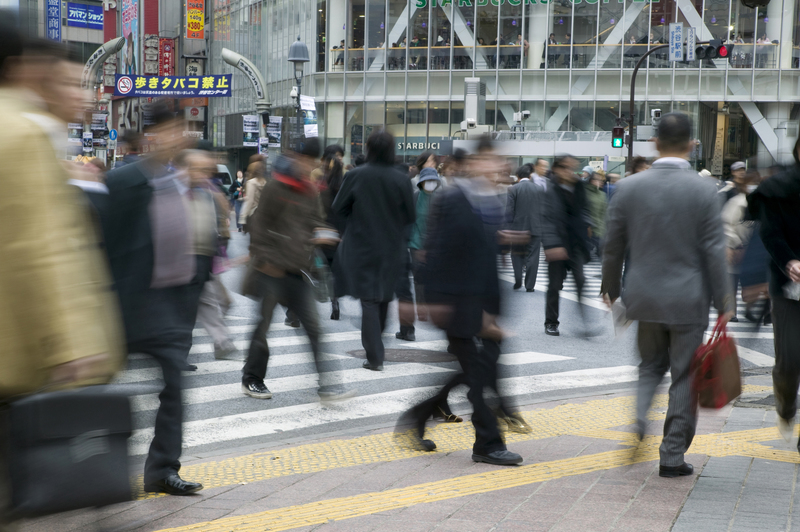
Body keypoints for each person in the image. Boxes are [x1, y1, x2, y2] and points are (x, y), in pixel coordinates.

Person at [0, 30, 125, 529]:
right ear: (23, 65)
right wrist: (71, 345)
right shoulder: (24, 133)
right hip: (21, 354)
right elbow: (39, 249)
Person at [602, 112, 733, 478]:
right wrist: (724, 301)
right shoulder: (705, 189)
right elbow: (713, 250)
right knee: (684, 376)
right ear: (692, 145)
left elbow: (612, 247)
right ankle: (672, 455)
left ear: (654, 143)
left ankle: (640, 417)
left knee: (649, 367)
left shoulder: (629, 187)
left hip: (642, 296)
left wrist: (611, 290)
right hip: (688, 299)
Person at [103, 101, 213, 495]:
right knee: (96, 386)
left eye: (181, 129)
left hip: (167, 307)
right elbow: (101, 241)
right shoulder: (122, 181)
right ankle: (93, 465)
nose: (177, 136)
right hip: (124, 304)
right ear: (151, 136)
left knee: (175, 387)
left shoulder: (177, 180)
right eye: (169, 130)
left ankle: (162, 469)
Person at [397, 140, 523, 465]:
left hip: (484, 302)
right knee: (479, 376)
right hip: (457, 302)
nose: (499, 166)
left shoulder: (492, 199)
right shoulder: (453, 197)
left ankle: (417, 417)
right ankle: (488, 443)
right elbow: (436, 252)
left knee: (477, 373)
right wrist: (429, 302)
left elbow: (481, 253)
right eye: (492, 160)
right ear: (476, 162)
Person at [241, 138, 351, 402]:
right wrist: (266, 259)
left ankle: (328, 385)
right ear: (294, 157)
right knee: (263, 328)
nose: (309, 166)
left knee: (314, 328)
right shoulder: (276, 185)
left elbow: (314, 220)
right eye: (305, 160)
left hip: (298, 270)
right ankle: (252, 379)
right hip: (271, 271)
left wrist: (324, 233)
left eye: (313, 162)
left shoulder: (311, 190)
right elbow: (258, 225)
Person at [333, 130, 415, 371]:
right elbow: (410, 215)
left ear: (369, 149)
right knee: (383, 297)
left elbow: (339, 208)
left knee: (369, 299)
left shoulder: (356, 175)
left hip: (362, 244)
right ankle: (376, 347)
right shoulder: (401, 178)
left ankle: (375, 356)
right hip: (392, 246)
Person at [747, 139, 800, 445]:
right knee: (790, 361)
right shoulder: (777, 188)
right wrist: (789, 261)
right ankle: (786, 403)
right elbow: (769, 232)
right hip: (789, 285)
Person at [177, 149, 238, 360]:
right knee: (187, 309)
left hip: (202, 263)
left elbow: (212, 228)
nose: (204, 175)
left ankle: (219, 342)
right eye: (199, 170)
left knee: (206, 303)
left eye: (206, 170)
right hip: (179, 263)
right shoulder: (170, 193)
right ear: (185, 169)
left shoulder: (205, 193)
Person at [541, 155, 591, 336]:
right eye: (566, 167)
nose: (570, 171)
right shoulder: (551, 189)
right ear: (557, 169)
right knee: (554, 285)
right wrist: (552, 244)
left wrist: (587, 225)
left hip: (575, 244)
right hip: (557, 244)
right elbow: (546, 219)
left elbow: (584, 210)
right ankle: (551, 322)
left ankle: (585, 323)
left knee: (580, 281)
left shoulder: (578, 187)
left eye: (573, 167)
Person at [396, 150, 442, 342]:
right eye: (427, 181)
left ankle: (431, 306)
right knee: (418, 277)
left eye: (433, 181)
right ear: (421, 182)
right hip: (416, 244)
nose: (430, 184)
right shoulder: (415, 197)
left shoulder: (441, 199)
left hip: (434, 246)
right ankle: (422, 308)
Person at [506, 162, 547, 292]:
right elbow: (543, 211)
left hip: (517, 228)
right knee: (533, 256)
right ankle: (530, 285)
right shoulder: (539, 189)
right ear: (530, 176)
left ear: (517, 175)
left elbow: (509, 211)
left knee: (516, 254)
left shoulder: (513, 189)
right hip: (535, 228)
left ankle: (518, 279)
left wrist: (508, 227)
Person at [318, 144, 346, 320]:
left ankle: (294, 311)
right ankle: (334, 302)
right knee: (335, 270)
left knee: (316, 268)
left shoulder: (321, 183)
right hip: (339, 232)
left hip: (322, 230)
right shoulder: (344, 183)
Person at [239, 155, 267, 232]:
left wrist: (243, 218)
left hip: (253, 215)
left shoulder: (251, 183)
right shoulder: (266, 182)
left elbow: (249, 201)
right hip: (264, 215)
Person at [585, 169, 608, 260]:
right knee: (585, 257)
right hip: (588, 229)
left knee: (602, 255)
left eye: (602, 180)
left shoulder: (602, 194)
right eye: (599, 180)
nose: (601, 182)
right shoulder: (584, 193)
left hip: (600, 230)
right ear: (592, 181)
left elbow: (605, 212)